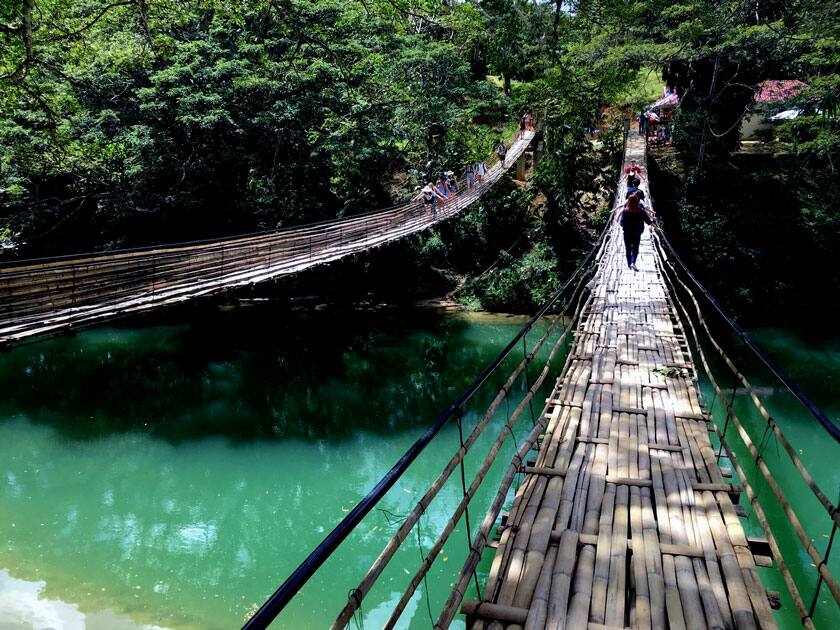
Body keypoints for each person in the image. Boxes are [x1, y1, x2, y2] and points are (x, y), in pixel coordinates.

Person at [621, 193, 652, 271]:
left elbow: (622, 223)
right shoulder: (641, 211)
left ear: (629, 201)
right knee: (635, 248)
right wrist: (657, 228)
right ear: (637, 201)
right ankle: (633, 262)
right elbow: (648, 221)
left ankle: (629, 264)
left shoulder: (625, 211)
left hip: (627, 233)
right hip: (637, 233)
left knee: (628, 248)